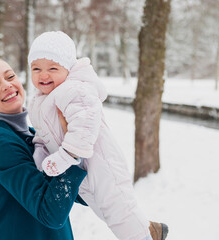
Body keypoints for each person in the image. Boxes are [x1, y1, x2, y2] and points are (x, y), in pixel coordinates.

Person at [28, 31, 169, 240]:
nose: (43, 75)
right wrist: (40, 156)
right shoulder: (40, 101)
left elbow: (85, 122)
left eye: (52, 68)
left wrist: (65, 156)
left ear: (68, 69)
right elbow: (42, 135)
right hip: (82, 168)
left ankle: (146, 236)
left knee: (119, 211)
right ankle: (151, 230)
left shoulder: (74, 89)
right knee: (107, 213)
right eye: (36, 68)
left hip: (103, 165)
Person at [0, 56, 88, 240]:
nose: (7, 85)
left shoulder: (32, 135)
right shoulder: (1, 143)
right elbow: (50, 213)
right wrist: (71, 151)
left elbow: (70, 192)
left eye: (10, 77)